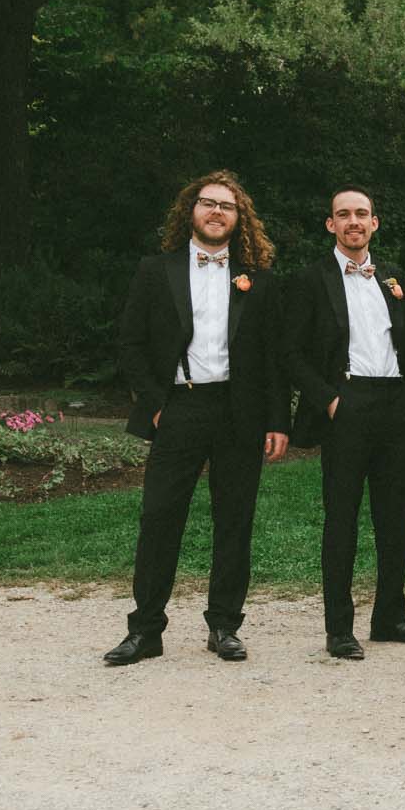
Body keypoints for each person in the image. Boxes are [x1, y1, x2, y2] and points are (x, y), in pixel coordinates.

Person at [104, 172, 290, 666]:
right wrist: (155, 400)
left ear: (238, 218)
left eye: (227, 206)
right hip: (180, 407)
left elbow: (274, 356)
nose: (216, 212)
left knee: (235, 520)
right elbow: (131, 343)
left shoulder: (258, 279)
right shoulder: (155, 270)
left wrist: (277, 420)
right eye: (208, 203)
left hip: (239, 412)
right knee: (160, 517)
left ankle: (224, 626)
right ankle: (145, 630)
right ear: (191, 210)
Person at [283, 184, 405, 660]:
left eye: (362, 214)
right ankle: (339, 627)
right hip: (346, 403)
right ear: (331, 225)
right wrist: (330, 401)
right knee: (343, 519)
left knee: (398, 517)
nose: (354, 222)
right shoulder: (311, 280)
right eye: (344, 215)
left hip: (397, 404)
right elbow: (290, 352)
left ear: (375, 223)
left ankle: (390, 616)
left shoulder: (392, 277)